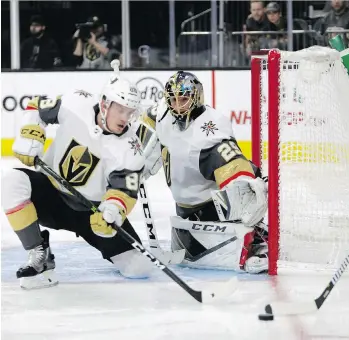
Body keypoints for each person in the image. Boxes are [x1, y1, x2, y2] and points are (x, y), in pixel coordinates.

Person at [1, 60, 155, 289]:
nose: (125, 118)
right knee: (11, 182)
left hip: (90, 212)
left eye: (130, 112)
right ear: (105, 104)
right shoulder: (76, 102)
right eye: (120, 109)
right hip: (50, 194)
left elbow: (125, 191)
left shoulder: (131, 148)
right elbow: (36, 107)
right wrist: (29, 134)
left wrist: (111, 211)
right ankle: (39, 253)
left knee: (139, 268)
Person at [141, 71, 269, 274]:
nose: (177, 105)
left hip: (212, 206)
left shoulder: (212, 127)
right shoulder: (161, 114)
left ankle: (257, 240)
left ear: (197, 97)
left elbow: (231, 160)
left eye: (183, 99)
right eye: (172, 100)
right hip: (184, 208)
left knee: (242, 190)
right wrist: (136, 156)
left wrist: (245, 184)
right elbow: (144, 121)